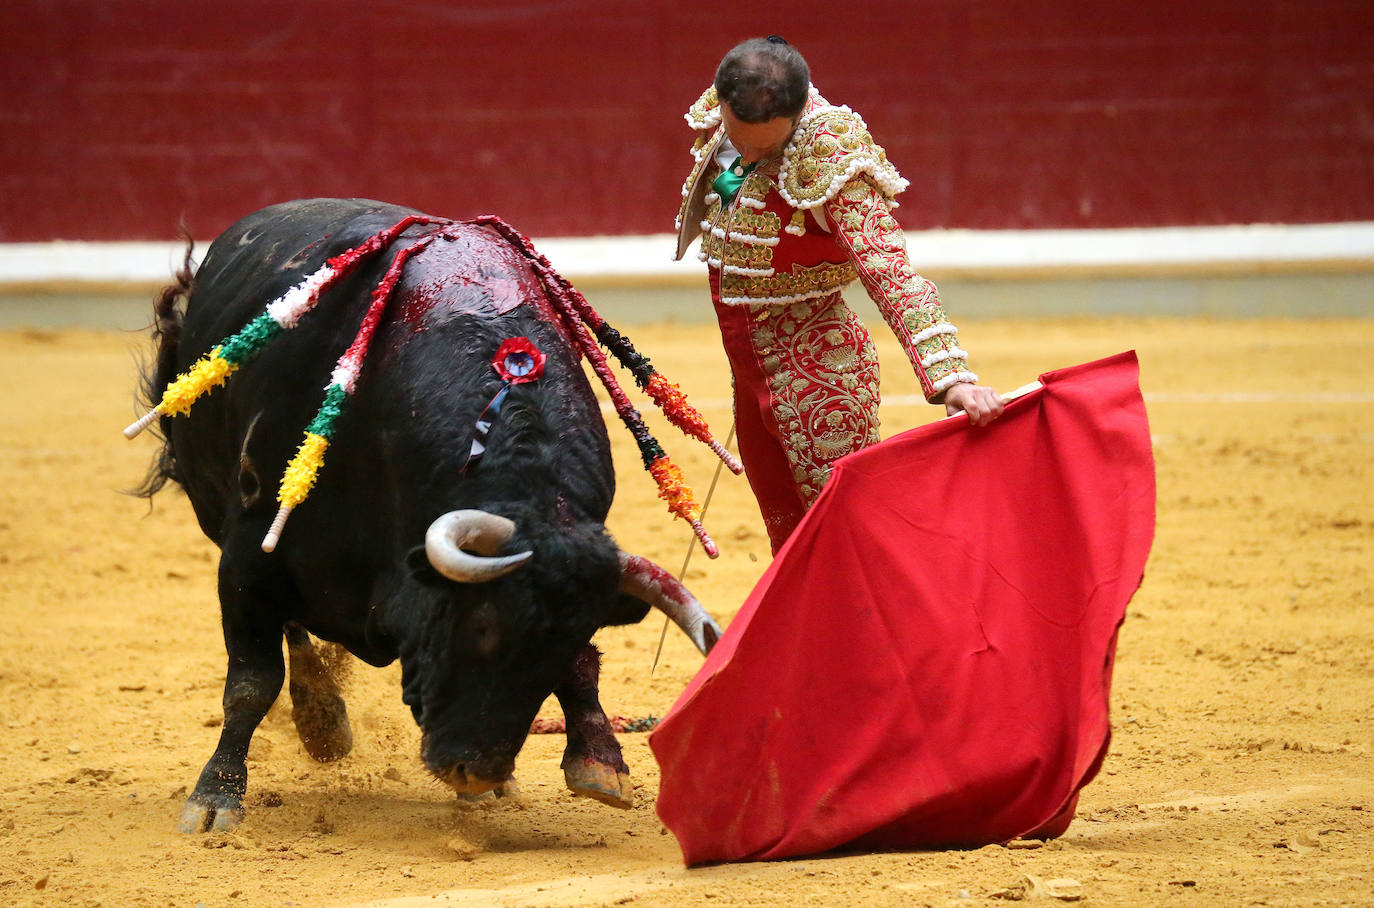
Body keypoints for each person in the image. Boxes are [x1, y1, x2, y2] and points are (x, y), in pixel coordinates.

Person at [674, 36, 1005, 553]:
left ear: (797, 111)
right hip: (751, 367)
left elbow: (888, 269)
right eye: (744, 141)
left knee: (846, 534)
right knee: (791, 537)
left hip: (819, 371)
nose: (753, 156)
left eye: (768, 145)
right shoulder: (725, 113)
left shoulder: (831, 153)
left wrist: (951, 379)